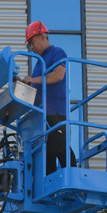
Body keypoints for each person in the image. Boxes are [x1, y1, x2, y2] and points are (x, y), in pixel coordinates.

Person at [22, 21, 76, 174]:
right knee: (47, 154)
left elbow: (58, 75)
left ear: (42, 36)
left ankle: (72, 177)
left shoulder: (57, 52)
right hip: (42, 114)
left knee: (60, 146)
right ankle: (48, 185)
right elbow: (36, 87)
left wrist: (33, 79)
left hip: (56, 112)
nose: (31, 48)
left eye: (32, 43)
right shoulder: (38, 63)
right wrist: (22, 84)